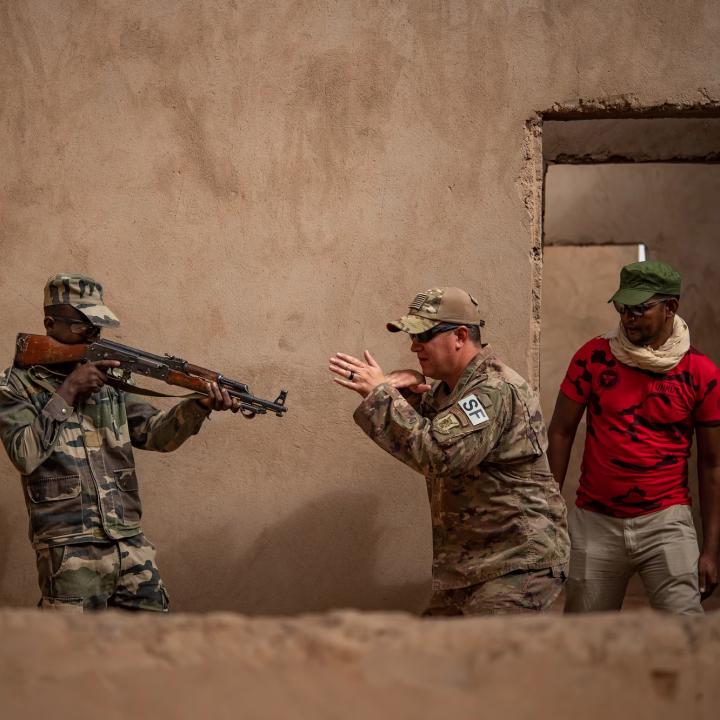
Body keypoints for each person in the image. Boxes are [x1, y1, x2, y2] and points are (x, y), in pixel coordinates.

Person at [0, 273, 239, 612]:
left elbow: (156, 434)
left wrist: (198, 405)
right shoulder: (15, 387)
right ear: (50, 324)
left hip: (129, 545)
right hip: (69, 555)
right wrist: (69, 391)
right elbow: (24, 455)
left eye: (98, 326)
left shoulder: (107, 383)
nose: (95, 335)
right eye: (84, 326)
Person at [329, 287, 569, 615]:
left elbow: (438, 454)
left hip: (515, 563)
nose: (414, 346)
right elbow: (433, 432)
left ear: (459, 336)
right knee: (432, 659)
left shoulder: (491, 390)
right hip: (472, 567)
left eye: (424, 335)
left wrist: (382, 397)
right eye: (412, 336)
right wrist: (408, 398)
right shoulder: (452, 391)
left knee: (486, 660)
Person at [547, 260, 720, 615]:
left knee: (686, 637)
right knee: (585, 643)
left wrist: (711, 551)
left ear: (671, 307)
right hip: (595, 522)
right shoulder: (593, 358)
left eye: (640, 309)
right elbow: (561, 431)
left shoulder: (700, 373)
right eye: (622, 308)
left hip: (667, 522)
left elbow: (712, 464)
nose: (628, 318)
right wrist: (548, 513)